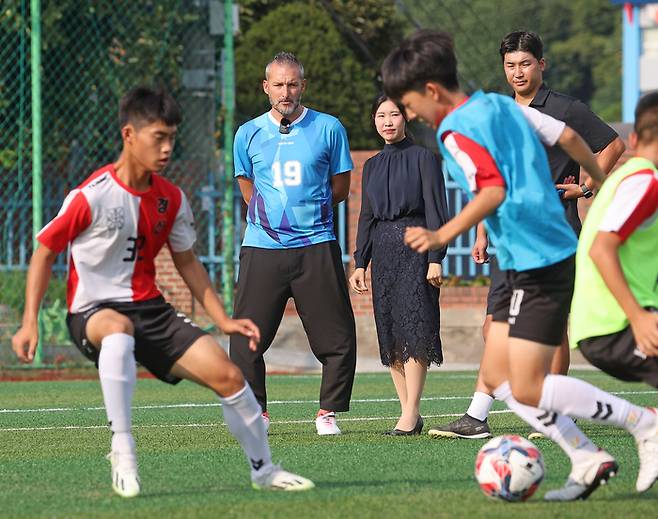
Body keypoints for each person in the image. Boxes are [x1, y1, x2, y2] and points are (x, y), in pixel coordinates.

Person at [381, 30, 658, 501]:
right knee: (498, 380)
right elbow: (569, 137)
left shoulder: (454, 131)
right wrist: (594, 181)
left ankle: (643, 424)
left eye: (407, 105)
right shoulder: (502, 105)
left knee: (527, 387)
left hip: (537, 261)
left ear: (430, 91)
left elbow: (493, 191)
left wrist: (441, 235)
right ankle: (587, 456)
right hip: (523, 259)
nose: (408, 116)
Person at [11, 87, 314, 498]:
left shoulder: (171, 199)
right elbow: (45, 249)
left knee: (229, 375)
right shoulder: (92, 196)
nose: (168, 147)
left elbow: (187, 262)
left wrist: (222, 319)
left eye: (172, 137)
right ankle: (122, 448)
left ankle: (263, 470)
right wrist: (30, 322)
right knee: (117, 330)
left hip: (150, 310)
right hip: (93, 312)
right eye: (159, 137)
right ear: (129, 135)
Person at [431, 30, 626, 441]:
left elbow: (613, 144)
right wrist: (482, 233)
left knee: (551, 329)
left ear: (542, 64)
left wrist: (587, 186)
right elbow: (492, 178)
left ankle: (551, 414)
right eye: (510, 65)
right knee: (493, 327)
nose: (518, 72)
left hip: (551, 233)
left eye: (525, 64)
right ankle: (482, 414)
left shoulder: (564, 108)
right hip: (507, 234)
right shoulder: (499, 111)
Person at [230, 52, 357, 436]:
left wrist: (306, 212)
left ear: (303, 85)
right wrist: (273, 218)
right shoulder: (247, 133)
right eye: (278, 84)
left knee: (337, 336)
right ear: (266, 87)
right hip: (262, 248)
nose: (286, 92)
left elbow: (340, 187)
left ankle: (327, 413)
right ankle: (257, 414)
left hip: (316, 244)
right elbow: (248, 189)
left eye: (293, 84)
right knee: (246, 337)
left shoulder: (329, 128)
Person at [349, 94, 449, 435]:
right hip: (384, 254)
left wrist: (435, 258)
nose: (387, 121)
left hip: (417, 248)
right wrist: (360, 262)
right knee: (390, 330)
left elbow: (438, 210)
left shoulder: (425, 158)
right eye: (380, 116)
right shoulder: (372, 165)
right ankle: (408, 411)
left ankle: (410, 412)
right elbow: (366, 217)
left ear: (406, 118)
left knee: (415, 327)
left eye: (393, 114)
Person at [571, 91, 658, 391]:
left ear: (633, 140)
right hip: (616, 324)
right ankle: (642, 422)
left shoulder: (623, 179)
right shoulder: (646, 183)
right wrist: (638, 317)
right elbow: (601, 249)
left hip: (601, 323)